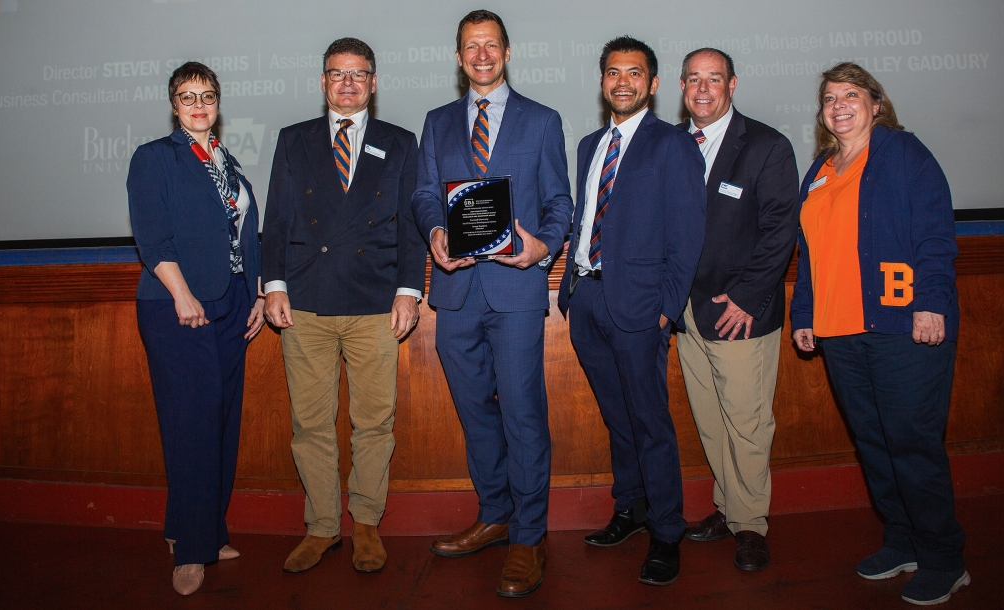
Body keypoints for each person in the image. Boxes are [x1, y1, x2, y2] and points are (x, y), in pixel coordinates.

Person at [790, 62, 968, 606]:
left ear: (875, 103)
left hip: (901, 326)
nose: (839, 105)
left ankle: (944, 558)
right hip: (840, 331)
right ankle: (902, 542)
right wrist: (804, 314)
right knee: (873, 443)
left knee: (912, 446)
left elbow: (935, 234)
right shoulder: (820, 168)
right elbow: (811, 252)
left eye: (850, 95)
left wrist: (931, 303)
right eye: (829, 98)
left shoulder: (902, 153)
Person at [410, 9, 573, 598]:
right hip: (455, 293)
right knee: (476, 410)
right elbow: (427, 195)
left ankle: (530, 537)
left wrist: (543, 248)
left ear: (507, 52)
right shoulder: (437, 121)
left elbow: (560, 203)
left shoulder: (542, 120)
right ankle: (496, 513)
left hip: (516, 292)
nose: (481, 54)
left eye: (491, 45)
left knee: (523, 411)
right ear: (458, 58)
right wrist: (433, 232)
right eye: (470, 46)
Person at [263, 38, 424, 575]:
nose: (348, 83)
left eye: (359, 74)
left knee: (374, 421)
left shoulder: (401, 142)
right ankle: (322, 526)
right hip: (305, 300)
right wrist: (274, 285)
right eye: (338, 74)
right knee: (310, 423)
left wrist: (408, 290)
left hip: (376, 301)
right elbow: (278, 220)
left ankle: (367, 523)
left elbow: (411, 225)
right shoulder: (294, 140)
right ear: (323, 82)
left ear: (374, 83)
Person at [557, 36, 706, 587]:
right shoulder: (589, 144)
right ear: (602, 82)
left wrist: (667, 308)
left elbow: (687, 234)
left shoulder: (673, 145)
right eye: (614, 72)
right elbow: (588, 217)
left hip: (642, 307)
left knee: (650, 422)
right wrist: (570, 288)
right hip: (589, 298)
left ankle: (668, 530)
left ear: (653, 83)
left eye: (635, 73)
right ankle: (631, 507)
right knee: (617, 418)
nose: (624, 81)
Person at [126, 61, 264, 596]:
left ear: (218, 102)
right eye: (188, 97)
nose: (199, 105)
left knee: (222, 422)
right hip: (176, 306)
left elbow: (244, 237)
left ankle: (203, 529)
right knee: (191, 426)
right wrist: (182, 294)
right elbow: (151, 236)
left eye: (207, 95)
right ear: (174, 104)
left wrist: (253, 291)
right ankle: (189, 551)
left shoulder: (228, 164)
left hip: (230, 304)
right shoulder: (155, 158)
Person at [671, 48, 799, 572]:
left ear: (732, 84)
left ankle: (751, 524)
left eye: (714, 79)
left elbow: (779, 231)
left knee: (747, 423)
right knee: (711, 421)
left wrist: (748, 297)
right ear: (681, 86)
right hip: (686, 311)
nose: (703, 89)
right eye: (694, 80)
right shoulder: (672, 144)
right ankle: (728, 506)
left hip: (739, 311)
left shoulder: (766, 146)